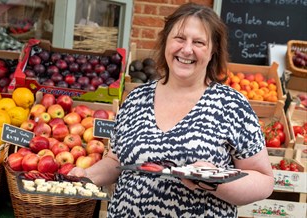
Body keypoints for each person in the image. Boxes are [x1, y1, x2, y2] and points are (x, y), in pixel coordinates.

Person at [69, 2, 274, 217]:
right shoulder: (136, 99)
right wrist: (85, 176)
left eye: (198, 42)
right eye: (179, 38)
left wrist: (215, 181)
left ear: (213, 50)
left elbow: (264, 180)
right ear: (166, 41)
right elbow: (116, 161)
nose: (187, 49)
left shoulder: (231, 105)